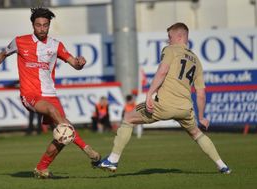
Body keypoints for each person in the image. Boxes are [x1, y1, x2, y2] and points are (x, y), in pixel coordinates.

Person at [0, 7, 100, 179]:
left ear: (49, 25)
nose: (41, 28)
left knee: (64, 134)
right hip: (30, 95)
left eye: (45, 25)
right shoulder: (20, 41)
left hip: (50, 94)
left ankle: (41, 168)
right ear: (32, 25)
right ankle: (89, 150)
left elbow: (74, 63)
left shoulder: (56, 45)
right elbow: (2, 55)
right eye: (38, 25)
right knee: (57, 118)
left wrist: (80, 63)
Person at [95, 23, 231, 174]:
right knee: (197, 133)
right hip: (185, 108)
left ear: (179, 37)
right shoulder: (196, 60)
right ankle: (222, 166)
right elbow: (201, 94)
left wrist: (149, 94)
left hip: (164, 104)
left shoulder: (170, 50)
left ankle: (112, 160)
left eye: (170, 37)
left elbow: (162, 71)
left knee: (128, 117)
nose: (168, 40)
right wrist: (201, 117)